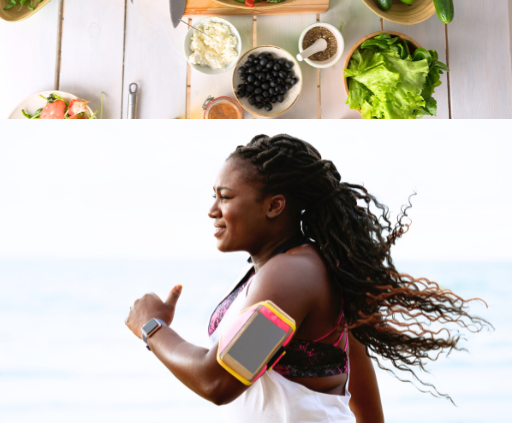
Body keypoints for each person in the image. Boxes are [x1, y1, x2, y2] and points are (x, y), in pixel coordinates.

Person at [124, 134, 487, 422]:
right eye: (214, 196)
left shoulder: (292, 277)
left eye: (226, 196)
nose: (212, 210)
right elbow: (360, 393)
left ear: (274, 205)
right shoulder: (300, 268)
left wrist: (152, 327)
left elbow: (219, 381)